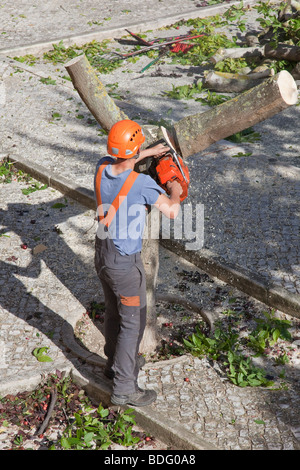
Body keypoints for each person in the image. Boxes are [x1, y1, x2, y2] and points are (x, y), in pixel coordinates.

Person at [94, 119, 182, 407]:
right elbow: (171, 212)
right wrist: (175, 187)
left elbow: (121, 161)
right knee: (134, 322)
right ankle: (124, 388)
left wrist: (142, 155)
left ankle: (114, 365)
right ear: (135, 150)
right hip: (124, 265)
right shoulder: (142, 184)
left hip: (103, 254)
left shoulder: (101, 168)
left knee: (113, 311)